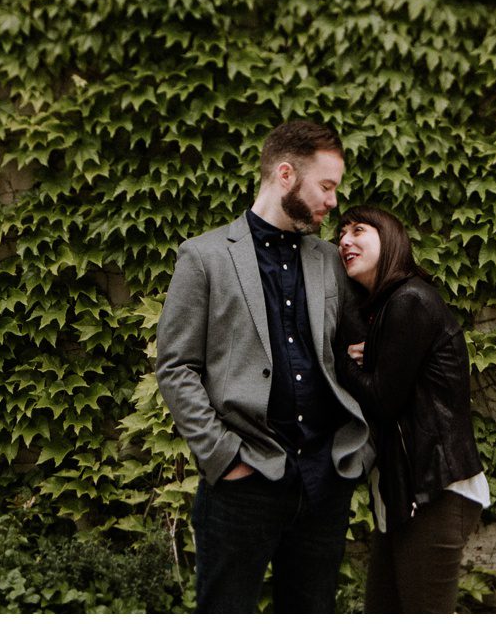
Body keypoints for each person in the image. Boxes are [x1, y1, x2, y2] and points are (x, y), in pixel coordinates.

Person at [155, 120, 373, 613]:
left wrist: (359, 454)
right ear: (285, 175)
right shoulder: (204, 257)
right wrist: (222, 458)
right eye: (327, 186)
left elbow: (357, 355)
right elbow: (175, 366)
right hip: (242, 479)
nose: (334, 202)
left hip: (324, 480)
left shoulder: (328, 260)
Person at [334, 206, 489, 613]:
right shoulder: (386, 307)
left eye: (358, 230)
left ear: (390, 239)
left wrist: (340, 361)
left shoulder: (410, 301)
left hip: (433, 487)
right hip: (403, 489)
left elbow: (383, 400)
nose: (344, 241)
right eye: (340, 235)